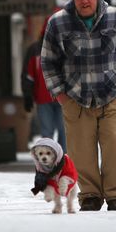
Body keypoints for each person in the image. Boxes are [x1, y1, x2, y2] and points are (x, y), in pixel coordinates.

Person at [41, 0, 116, 212]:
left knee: (114, 146)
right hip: (76, 97)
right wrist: (61, 95)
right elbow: (48, 62)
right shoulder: (58, 22)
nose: (85, 1)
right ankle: (90, 195)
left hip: (113, 96)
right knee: (80, 150)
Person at [21, 16, 66, 151]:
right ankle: (52, 164)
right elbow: (28, 75)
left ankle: (62, 163)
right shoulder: (35, 50)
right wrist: (27, 95)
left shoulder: (66, 48)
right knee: (51, 133)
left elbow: (28, 76)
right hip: (46, 97)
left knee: (61, 132)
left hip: (61, 98)